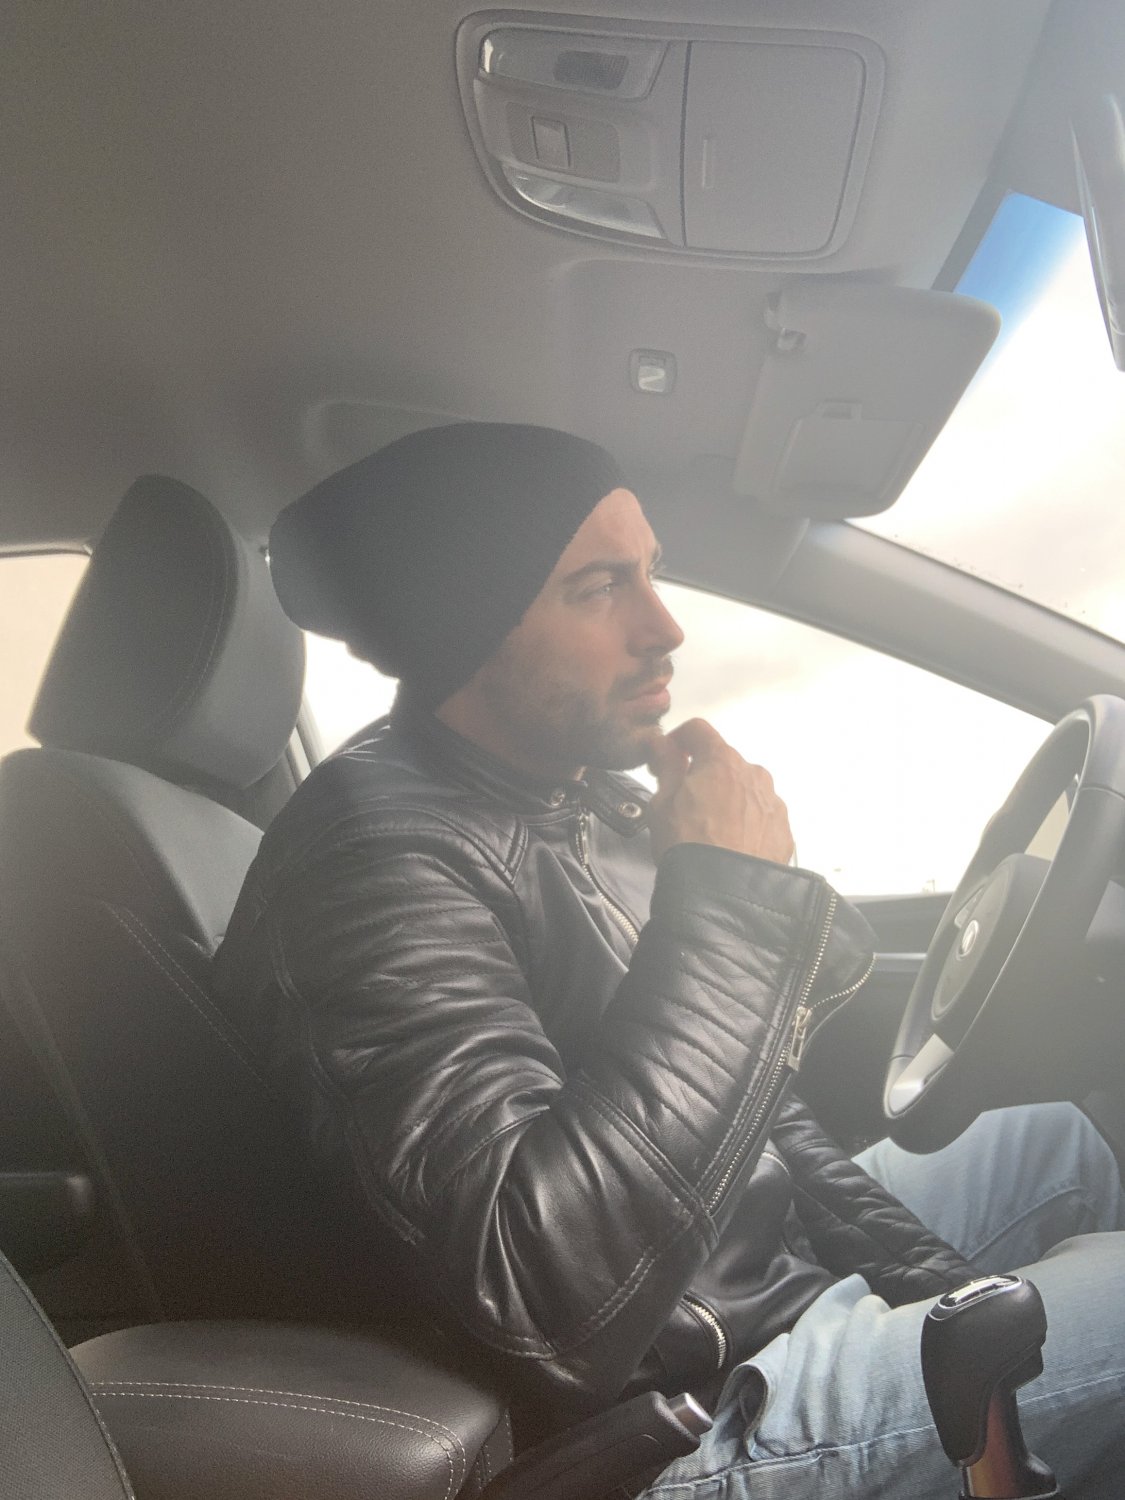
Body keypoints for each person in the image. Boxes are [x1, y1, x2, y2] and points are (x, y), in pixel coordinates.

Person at [214, 422, 1125, 1498]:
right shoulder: (370, 861)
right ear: (465, 624)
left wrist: (932, 1285)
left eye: (651, 571)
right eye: (600, 588)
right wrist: (729, 902)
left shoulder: (570, 796)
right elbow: (542, 1298)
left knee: (1058, 1145)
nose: (665, 626)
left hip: (744, 1294)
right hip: (662, 1428)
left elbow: (759, 1125)